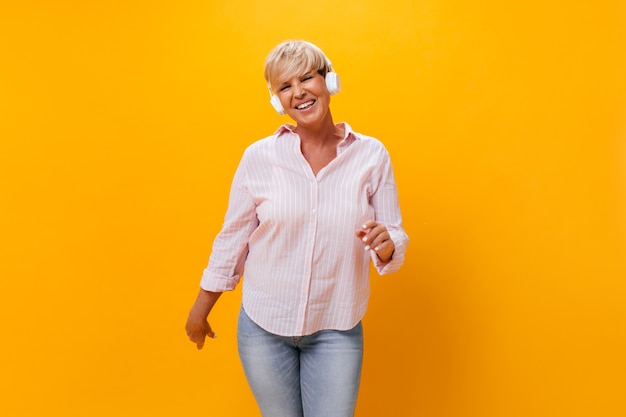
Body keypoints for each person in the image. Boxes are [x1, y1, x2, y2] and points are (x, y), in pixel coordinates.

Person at [185, 40, 409, 417]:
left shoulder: (371, 155)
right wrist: (200, 309)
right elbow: (232, 240)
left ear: (329, 81)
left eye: (307, 78)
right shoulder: (259, 157)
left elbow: (392, 236)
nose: (298, 92)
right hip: (263, 328)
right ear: (277, 100)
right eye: (285, 86)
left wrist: (386, 244)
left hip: (336, 327)